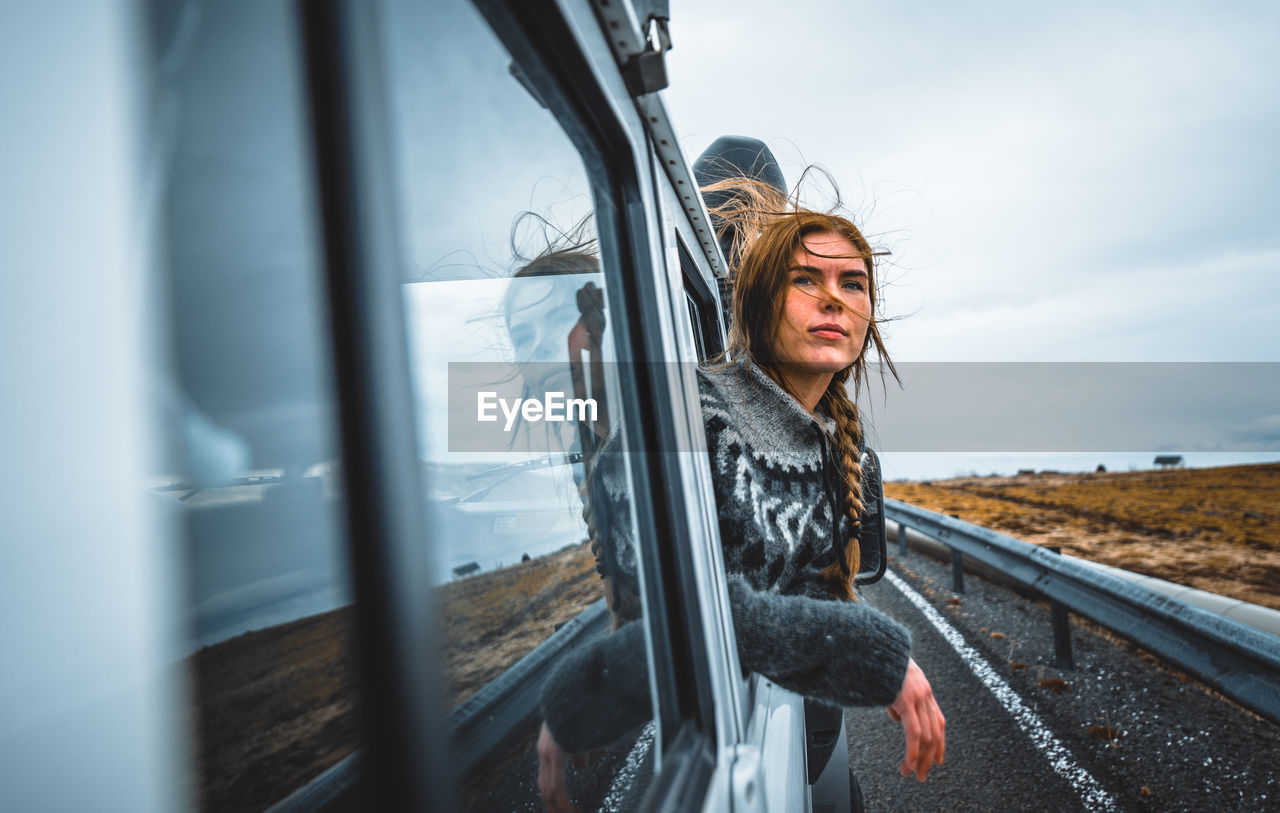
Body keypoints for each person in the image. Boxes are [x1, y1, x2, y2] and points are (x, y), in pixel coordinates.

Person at [536, 179, 946, 812]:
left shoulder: (830, 444)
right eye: (804, 280)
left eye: (853, 283)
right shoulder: (694, 412)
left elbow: (793, 588)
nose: (833, 299)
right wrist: (878, 656)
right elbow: (694, 609)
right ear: (757, 303)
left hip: (803, 747)